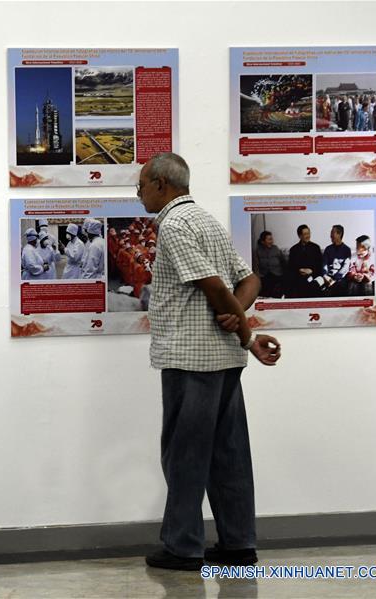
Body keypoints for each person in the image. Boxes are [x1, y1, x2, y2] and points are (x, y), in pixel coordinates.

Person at [136, 152, 280, 572]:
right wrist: (239, 314)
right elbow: (250, 279)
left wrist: (244, 330)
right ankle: (237, 544)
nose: (139, 193)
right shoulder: (206, 220)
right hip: (224, 359)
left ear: (162, 184)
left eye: (142, 185)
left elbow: (214, 285)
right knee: (228, 452)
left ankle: (183, 547)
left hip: (190, 359)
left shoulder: (175, 224)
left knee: (185, 453)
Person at [310, 225, 351, 296]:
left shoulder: (347, 250)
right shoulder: (328, 249)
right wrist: (325, 276)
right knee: (314, 284)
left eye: (332, 233)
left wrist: (334, 279)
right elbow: (324, 264)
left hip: (339, 278)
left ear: (339, 234)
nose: (330, 235)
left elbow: (345, 268)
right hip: (326, 276)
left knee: (340, 287)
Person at [286, 225, 323, 298]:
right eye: (305, 234)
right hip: (299, 276)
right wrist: (299, 270)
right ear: (300, 236)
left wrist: (311, 271)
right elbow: (290, 266)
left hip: (313, 275)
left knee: (313, 285)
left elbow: (320, 265)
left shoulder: (316, 248)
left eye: (308, 233)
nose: (308, 236)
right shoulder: (294, 249)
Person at [252, 231, 285, 298]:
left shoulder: (275, 248)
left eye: (272, 239)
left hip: (277, 275)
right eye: (269, 239)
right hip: (264, 276)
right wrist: (258, 277)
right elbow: (256, 266)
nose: (271, 241)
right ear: (263, 241)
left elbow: (283, 261)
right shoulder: (258, 251)